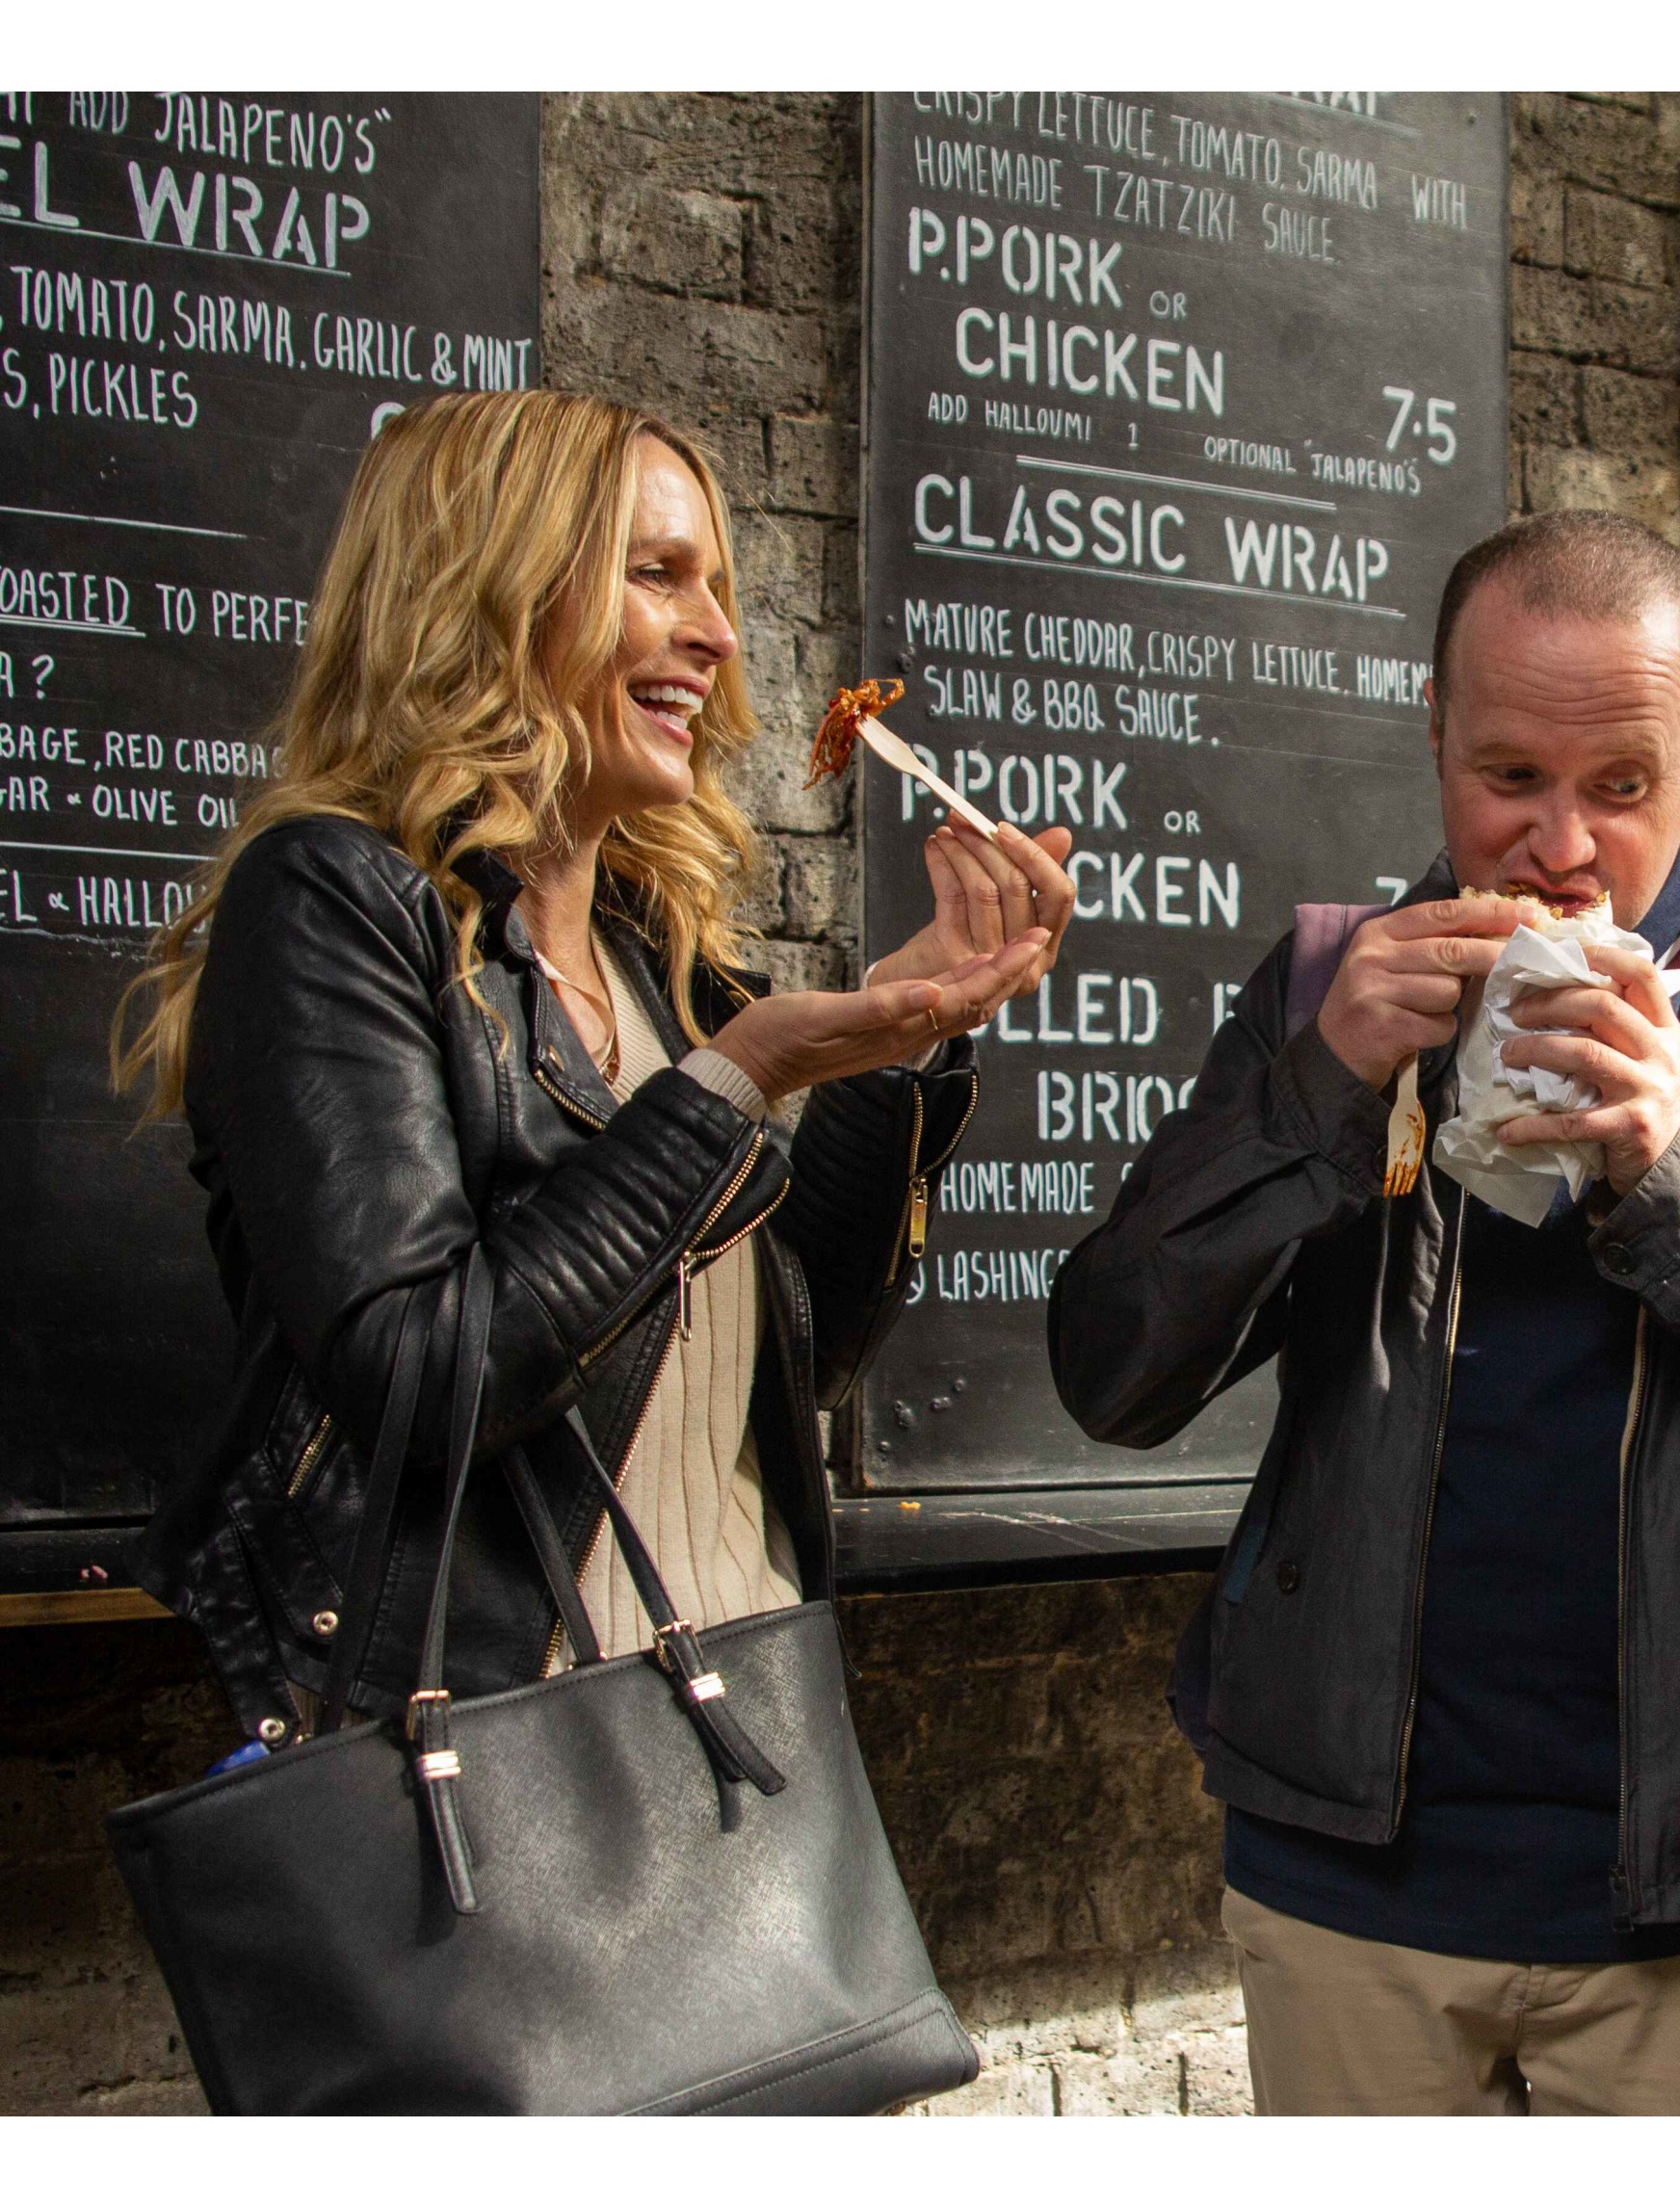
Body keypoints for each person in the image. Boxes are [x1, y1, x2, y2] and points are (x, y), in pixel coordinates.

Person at [1046, 510, 1680, 2115]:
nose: (1559, 846)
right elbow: (1112, 1372)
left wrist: (1677, 1175)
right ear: (1435, 736)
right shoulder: (1326, 988)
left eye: (1619, 787)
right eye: (1509, 779)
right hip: (1351, 1877)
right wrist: (1317, 1101)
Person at [118, 389, 1075, 1744]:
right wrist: (731, 1081)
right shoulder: (335, 901)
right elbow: (421, 1376)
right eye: (655, 573)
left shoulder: (659, 959)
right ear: (490, 590)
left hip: (751, 1712)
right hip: (511, 1761)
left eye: (717, 584)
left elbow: (806, 1355)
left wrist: (894, 1040)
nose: (718, 633)